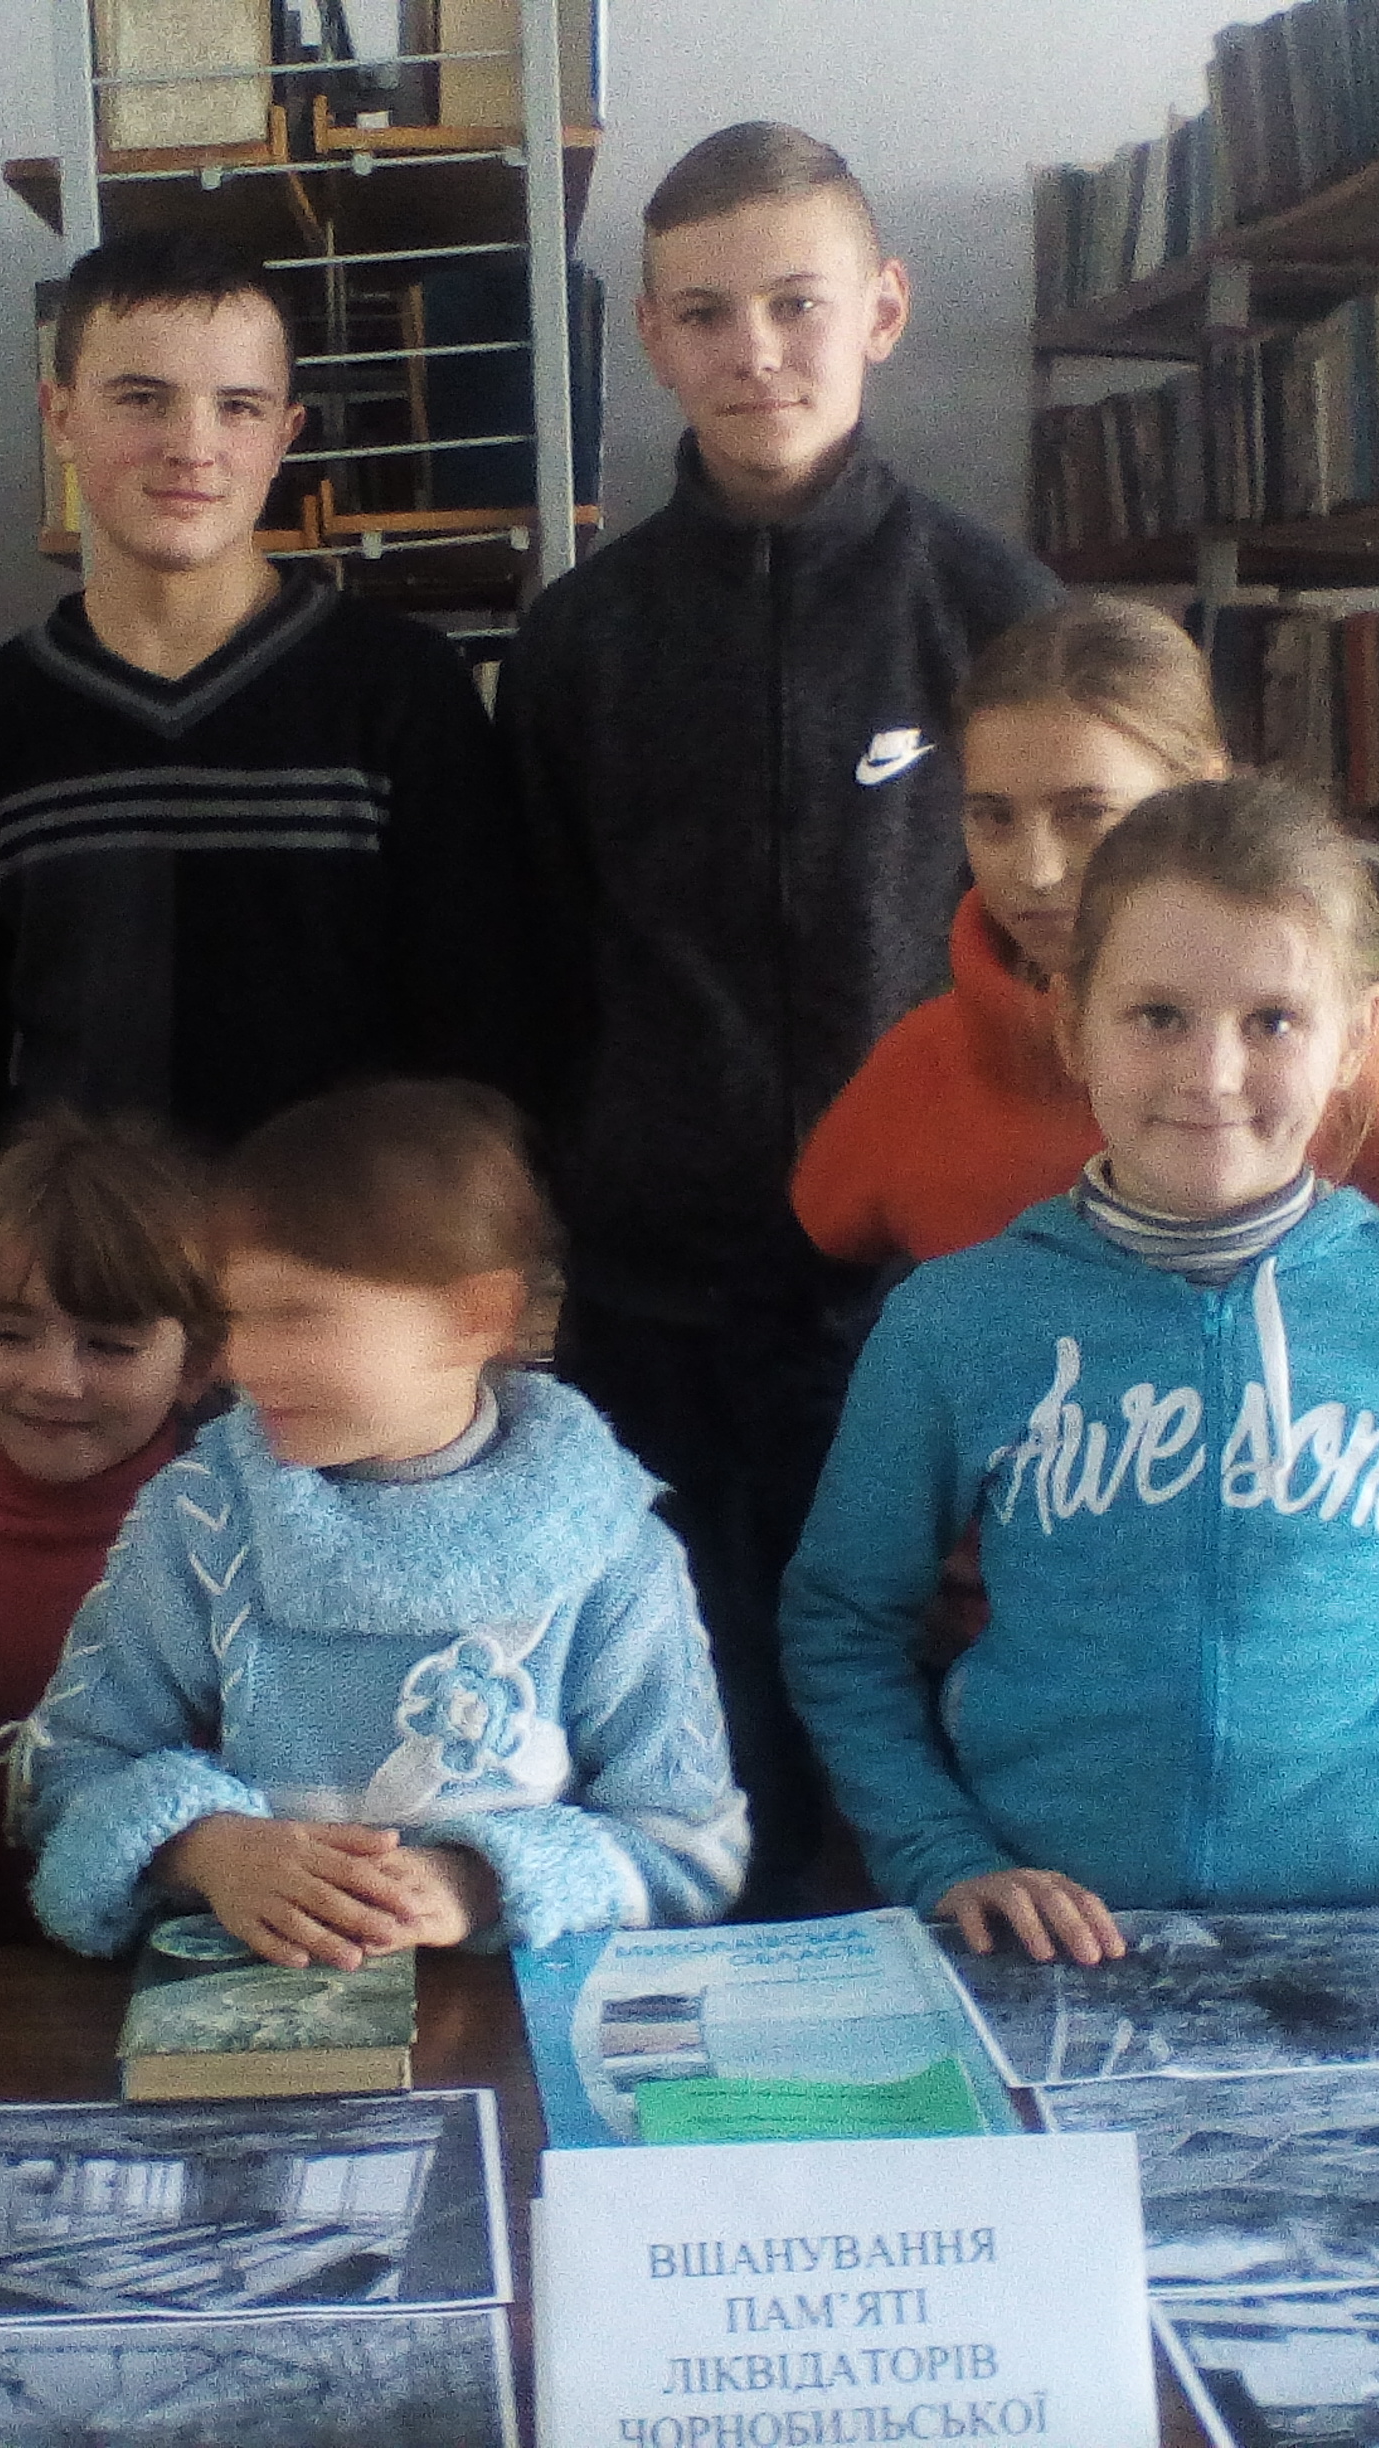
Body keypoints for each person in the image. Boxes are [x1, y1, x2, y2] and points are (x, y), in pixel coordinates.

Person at [499, 122, 1061, 1910]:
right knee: (684, 1717)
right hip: (648, 1302)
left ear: (881, 309)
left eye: (796, 303)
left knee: (927, 1724)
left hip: (936, 1303)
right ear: (651, 339)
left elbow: (1085, 943)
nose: (755, 350)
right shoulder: (578, 642)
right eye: (706, 314)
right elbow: (531, 966)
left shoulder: (998, 616)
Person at [780, 779, 1379, 1967]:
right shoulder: (953, 1325)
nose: (1211, 1075)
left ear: (1356, 1037)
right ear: (1072, 1023)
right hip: (1056, 1944)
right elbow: (842, 1621)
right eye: (1157, 1015)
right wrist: (942, 1855)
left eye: (1273, 1020)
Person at [0, 225, 525, 1364]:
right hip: (77, 1331)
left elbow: (474, 1056)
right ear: (61, 416)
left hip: (339, 1317)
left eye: (237, 406)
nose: (192, 446)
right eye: (142, 398)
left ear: (285, 437)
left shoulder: (402, 694)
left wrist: (458, 1316)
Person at [13, 1081, 750, 1964]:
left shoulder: (609, 1550)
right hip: (252, 2021)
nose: (241, 1361)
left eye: (298, 1316)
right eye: (237, 1316)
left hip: (512, 2025)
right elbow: (64, 1774)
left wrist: (478, 1883)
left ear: (476, 1318)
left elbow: (690, 1849)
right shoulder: (203, 1521)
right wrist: (205, 1847)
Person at [793, 594, 1379, 1266]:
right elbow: (814, 1260)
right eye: (994, 817)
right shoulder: (920, 1065)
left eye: (1086, 813)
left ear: (1200, 793)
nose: (1035, 870)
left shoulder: (1314, 1062)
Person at [0, 1111, 222, 1943]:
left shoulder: (253, 1545)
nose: (57, 1381)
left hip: (224, 1973)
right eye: (9, 1335)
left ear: (199, 1364)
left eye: (110, 1346)